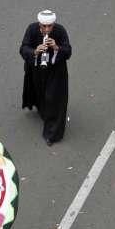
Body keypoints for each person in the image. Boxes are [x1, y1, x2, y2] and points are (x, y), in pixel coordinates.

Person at [19, 9, 71, 146]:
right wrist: (35, 51)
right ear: (39, 25)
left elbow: (68, 51)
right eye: (44, 26)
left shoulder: (60, 31)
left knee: (54, 99)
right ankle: (43, 111)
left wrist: (56, 48)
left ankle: (52, 134)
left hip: (55, 71)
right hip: (37, 70)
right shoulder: (31, 30)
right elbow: (23, 48)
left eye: (50, 26)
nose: (47, 29)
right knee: (40, 93)